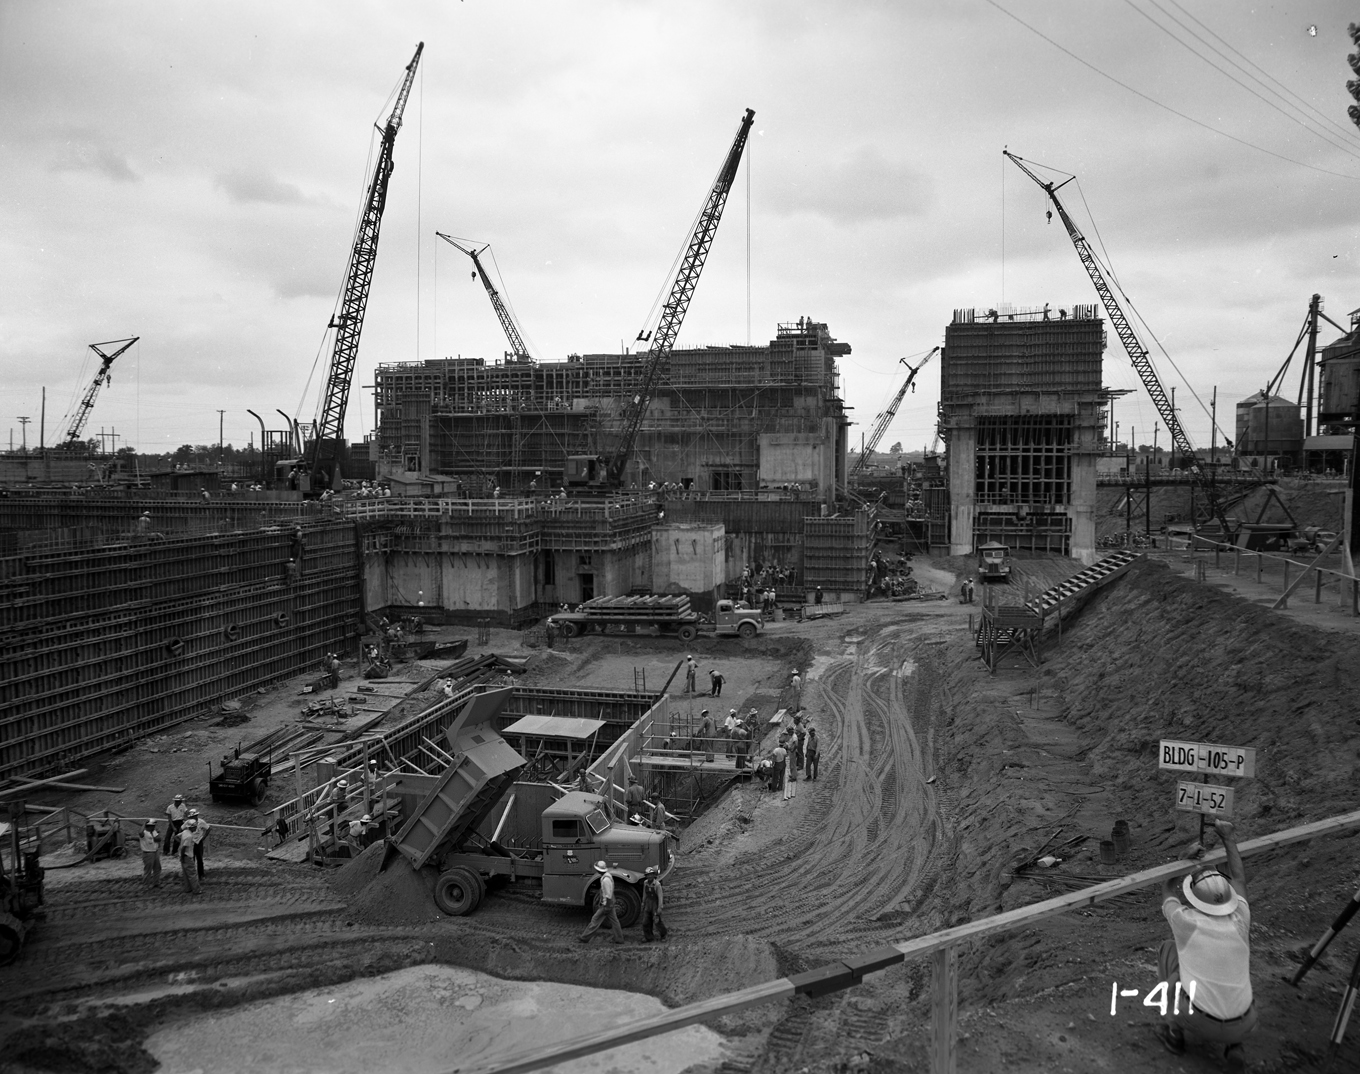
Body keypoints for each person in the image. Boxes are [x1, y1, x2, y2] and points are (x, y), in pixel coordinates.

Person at [1154, 819, 1255, 1072]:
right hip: (1246, 1021)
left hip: (1200, 1021)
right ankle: (1235, 1046)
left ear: (1194, 899)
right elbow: (1239, 878)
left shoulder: (1185, 921)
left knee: (1169, 951)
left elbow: (1167, 889)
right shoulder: (1241, 917)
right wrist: (1228, 838)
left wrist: (1182, 859)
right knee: (1231, 974)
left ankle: (1174, 1032)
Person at [578, 861, 625, 944]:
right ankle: (619, 939)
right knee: (615, 921)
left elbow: (608, 895)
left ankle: (584, 938)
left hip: (606, 905)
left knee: (595, 920)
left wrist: (606, 907)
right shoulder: (607, 876)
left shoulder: (605, 880)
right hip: (609, 904)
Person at [641, 865, 668, 942]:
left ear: (653, 875)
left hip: (655, 904)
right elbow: (644, 894)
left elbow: (660, 896)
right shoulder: (645, 883)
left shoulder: (657, 885)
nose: (649, 876)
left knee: (657, 921)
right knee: (645, 921)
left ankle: (664, 935)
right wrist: (643, 902)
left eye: (651, 875)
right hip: (648, 904)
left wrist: (660, 907)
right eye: (648, 875)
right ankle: (648, 937)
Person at [178, 818, 201, 894]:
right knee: (192, 874)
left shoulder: (185, 832)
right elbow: (184, 847)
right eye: (195, 827)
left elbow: (176, 837)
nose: (196, 828)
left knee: (186, 874)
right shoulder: (189, 836)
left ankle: (188, 888)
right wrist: (182, 856)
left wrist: (181, 843)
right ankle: (196, 890)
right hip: (187, 856)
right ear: (191, 827)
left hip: (183, 856)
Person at [187, 808, 210, 880]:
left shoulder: (201, 822)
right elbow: (182, 828)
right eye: (191, 817)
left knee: (199, 859)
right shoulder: (188, 822)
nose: (192, 818)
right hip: (191, 842)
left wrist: (203, 837)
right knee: (192, 858)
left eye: (193, 816)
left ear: (196, 816)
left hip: (198, 842)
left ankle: (201, 874)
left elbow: (208, 828)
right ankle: (193, 875)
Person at [138, 819, 161, 889]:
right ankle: (145, 885)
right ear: (149, 826)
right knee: (148, 870)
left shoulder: (154, 832)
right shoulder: (144, 833)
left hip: (155, 851)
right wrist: (144, 824)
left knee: (157, 868)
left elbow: (159, 839)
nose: (154, 827)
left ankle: (156, 883)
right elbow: (140, 833)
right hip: (148, 853)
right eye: (153, 825)